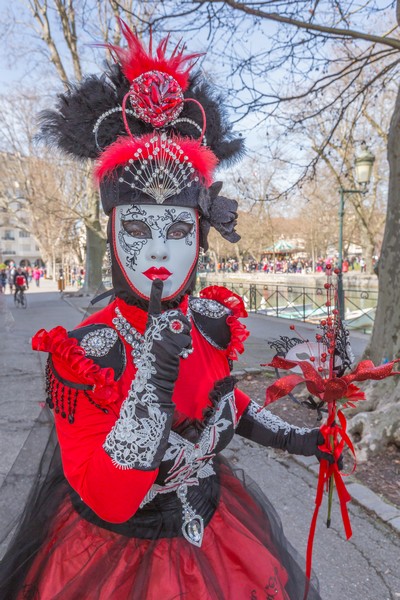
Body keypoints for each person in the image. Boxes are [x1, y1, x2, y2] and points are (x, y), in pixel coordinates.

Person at [0, 23, 337, 599]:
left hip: (214, 535)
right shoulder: (88, 352)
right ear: (112, 233)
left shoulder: (209, 320)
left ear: (201, 237)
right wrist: (149, 390)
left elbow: (222, 401)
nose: (158, 250)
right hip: (113, 558)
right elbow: (106, 496)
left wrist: (299, 440)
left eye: (179, 230)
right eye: (137, 228)